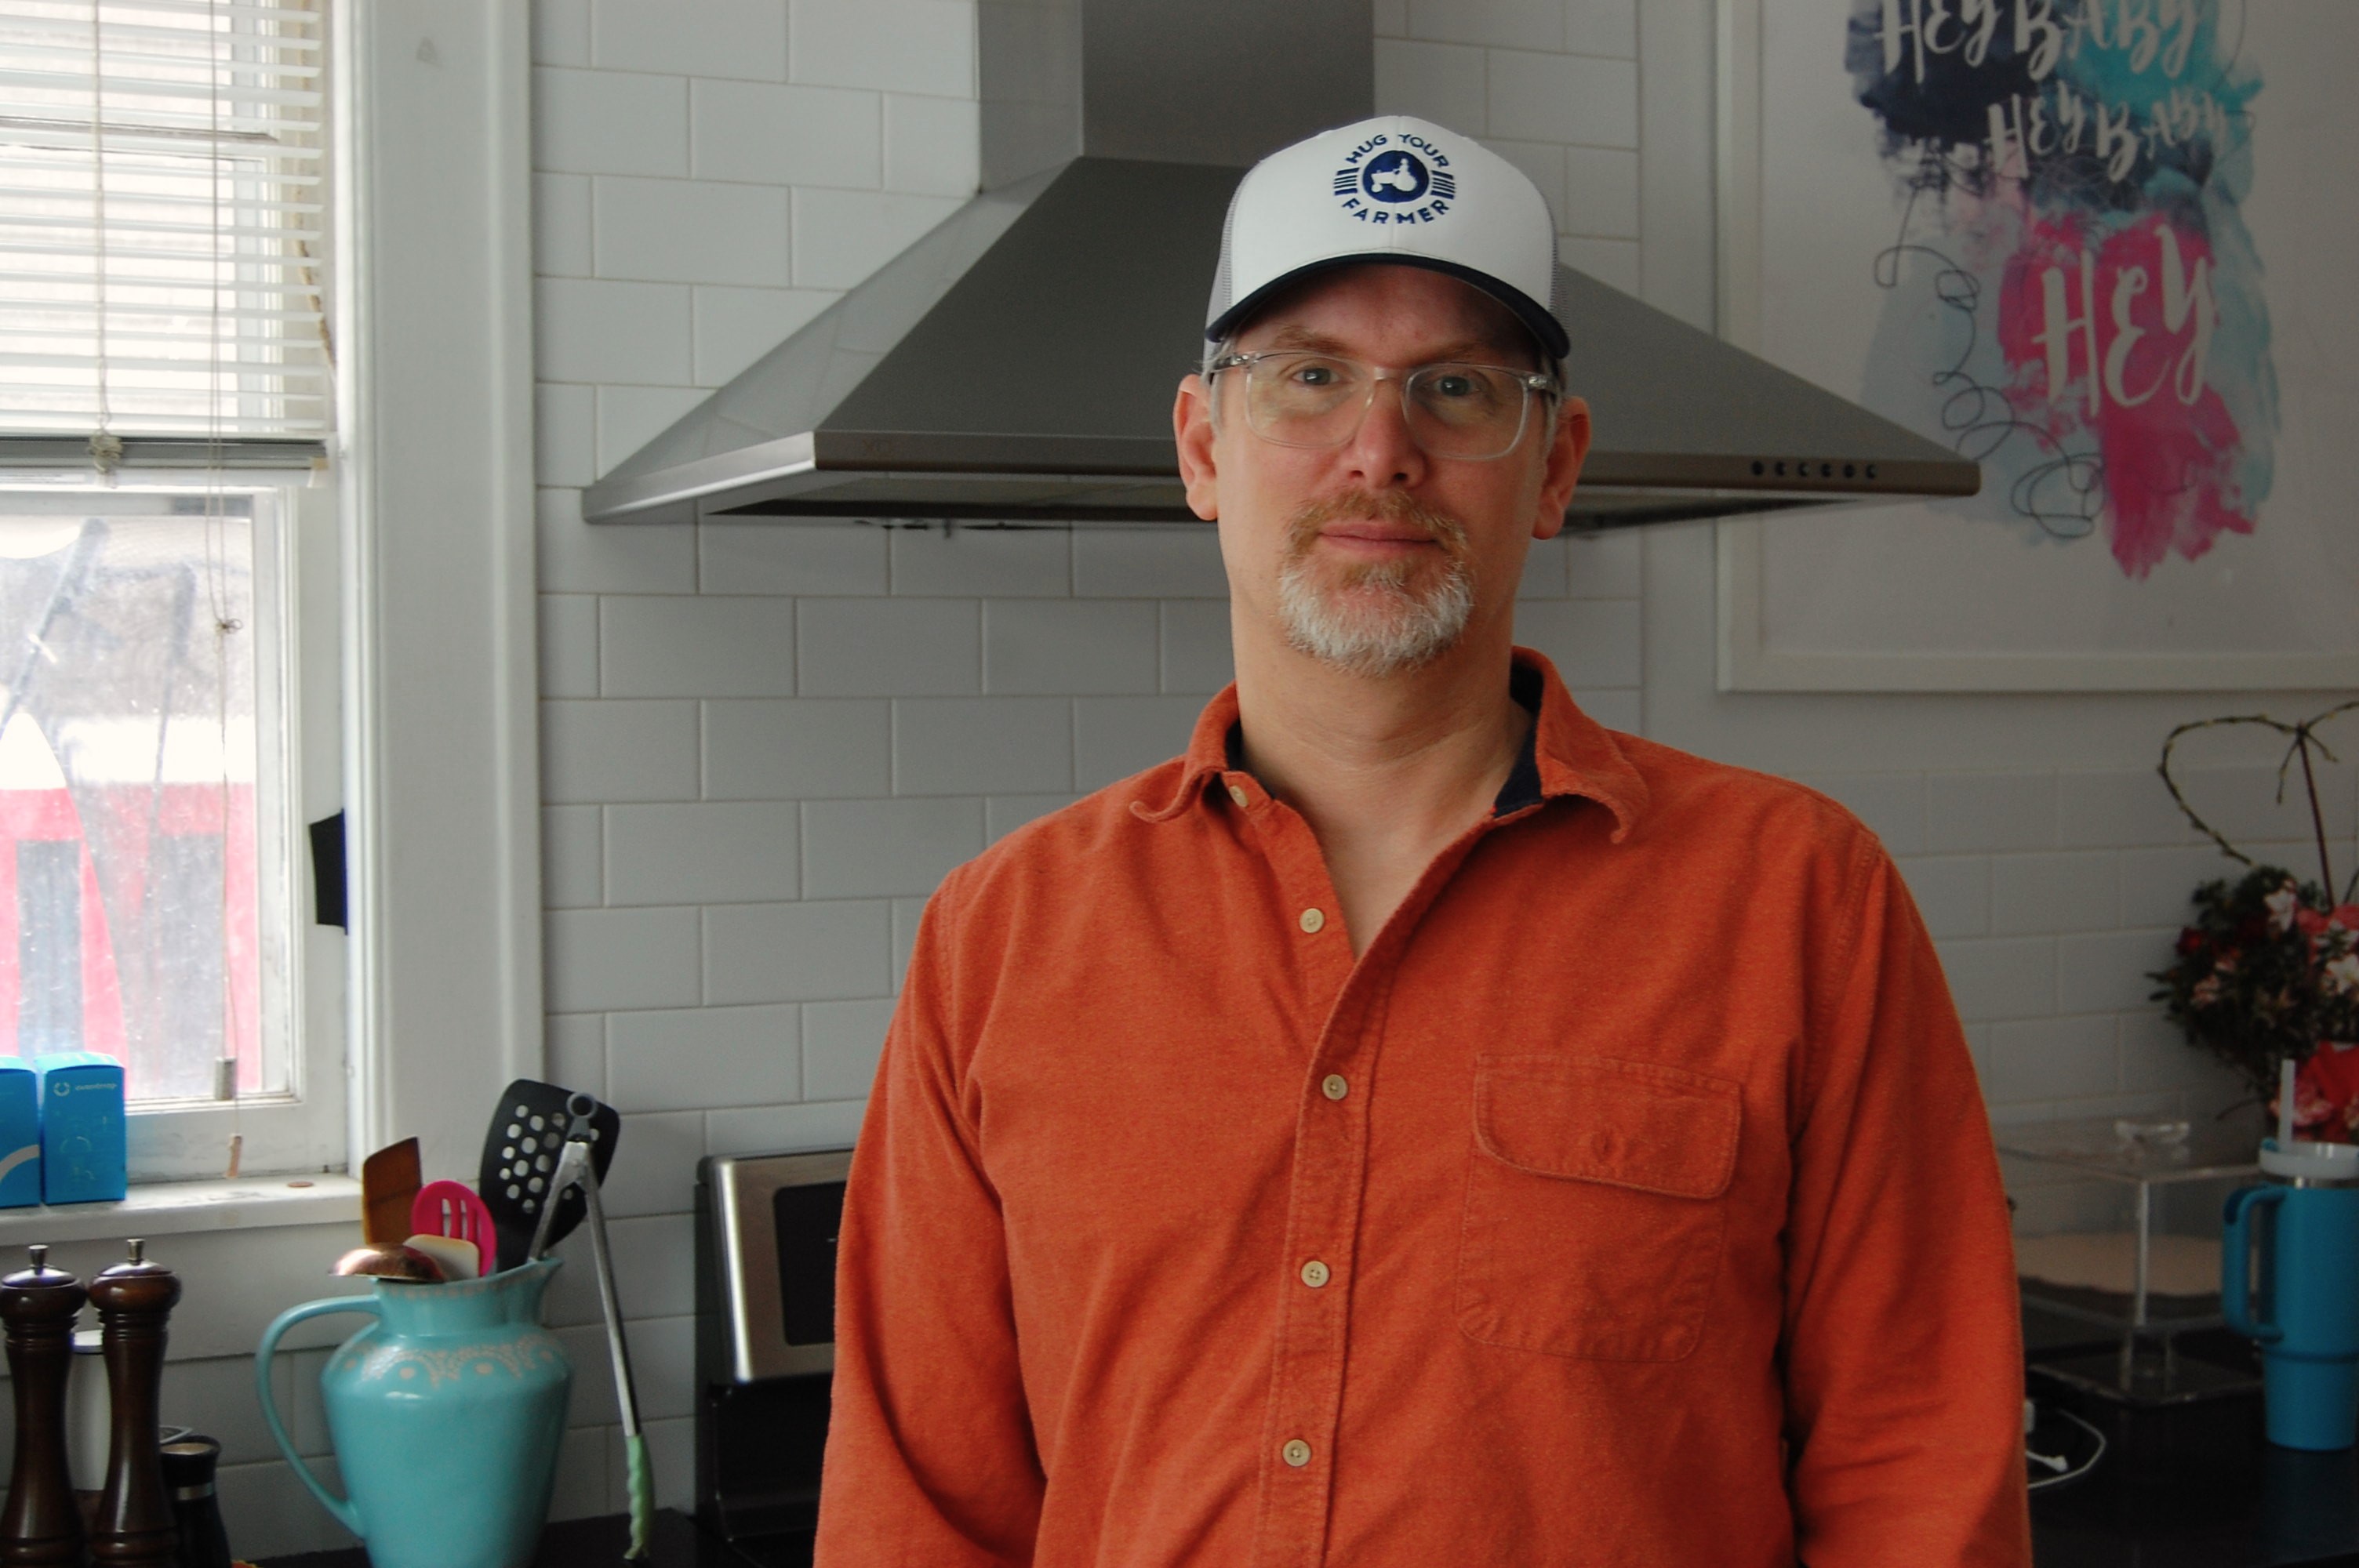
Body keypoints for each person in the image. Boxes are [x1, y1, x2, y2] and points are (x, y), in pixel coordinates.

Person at [815, 114, 2031, 1567]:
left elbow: (1921, 1468)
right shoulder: (1002, 934)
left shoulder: (1800, 899)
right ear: (1203, 449)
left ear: (1557, 466)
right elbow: (916, 1512)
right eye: (1309, 378)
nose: (1380, 453)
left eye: (1458, 389)